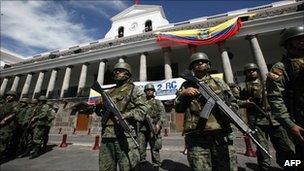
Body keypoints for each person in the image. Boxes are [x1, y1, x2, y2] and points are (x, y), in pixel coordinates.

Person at [175, 52, 238, 171]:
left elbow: (233, 102)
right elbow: (178, 108)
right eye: (196, 62)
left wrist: (230, 113)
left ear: (208, 65)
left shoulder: (219, 82)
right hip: (197, 136)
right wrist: (184, 94)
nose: (200, 63)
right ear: (192, 67)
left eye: (203, 61)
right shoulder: (186, 85)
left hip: (221, 134)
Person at [240, 63, 295, 170]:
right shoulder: (243, 86)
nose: (252, 72)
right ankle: (265, 168)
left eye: (254, 70)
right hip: (258, 121)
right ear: (245, 73)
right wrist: (246, 102)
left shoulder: (267, 83)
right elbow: (235, 100)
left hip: (275, 120)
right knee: (262, 149)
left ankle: (292, 167)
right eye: (249, 70)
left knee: (285, 147)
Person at [95, 61, 148, 171]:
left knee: (127, 167)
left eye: (119, 71)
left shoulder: (134, 90)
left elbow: (142, 110)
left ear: (127, 74)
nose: (116, 72)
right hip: (107, 136)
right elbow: (101, 113)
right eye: (115, 71)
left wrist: (126, 115)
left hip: (125, 136)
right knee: (105, 168)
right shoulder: (109, 92)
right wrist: (99, 106)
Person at [266, 26, 304, 168]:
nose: (302, 40)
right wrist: (290, 125)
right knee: (293, 162)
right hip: (298, 121)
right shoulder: (281, 68)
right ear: (288, 43)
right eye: (298, 38)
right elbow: (275, 99)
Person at [138, 83, 165, 169]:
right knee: (141, 148)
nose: (149, 91)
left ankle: (156, 165)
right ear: (145, 92)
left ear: (153, 91)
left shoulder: (158, 102)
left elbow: (162, 115)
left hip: (154, 128)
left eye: (151, 90)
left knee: (155, 149)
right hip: (142, 129)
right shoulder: (141, 103)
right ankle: (142, 164)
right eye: (147, 90)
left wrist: (158, 124)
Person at [0, 91, 19, 160]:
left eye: (11, 95)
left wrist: (5, 119)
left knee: (3, 139)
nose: (9, 96)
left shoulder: (15, 104)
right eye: (8, 95)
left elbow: (14, 113)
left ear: (14, 97)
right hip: (1, 124)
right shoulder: (3, 103)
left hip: (8, 125)